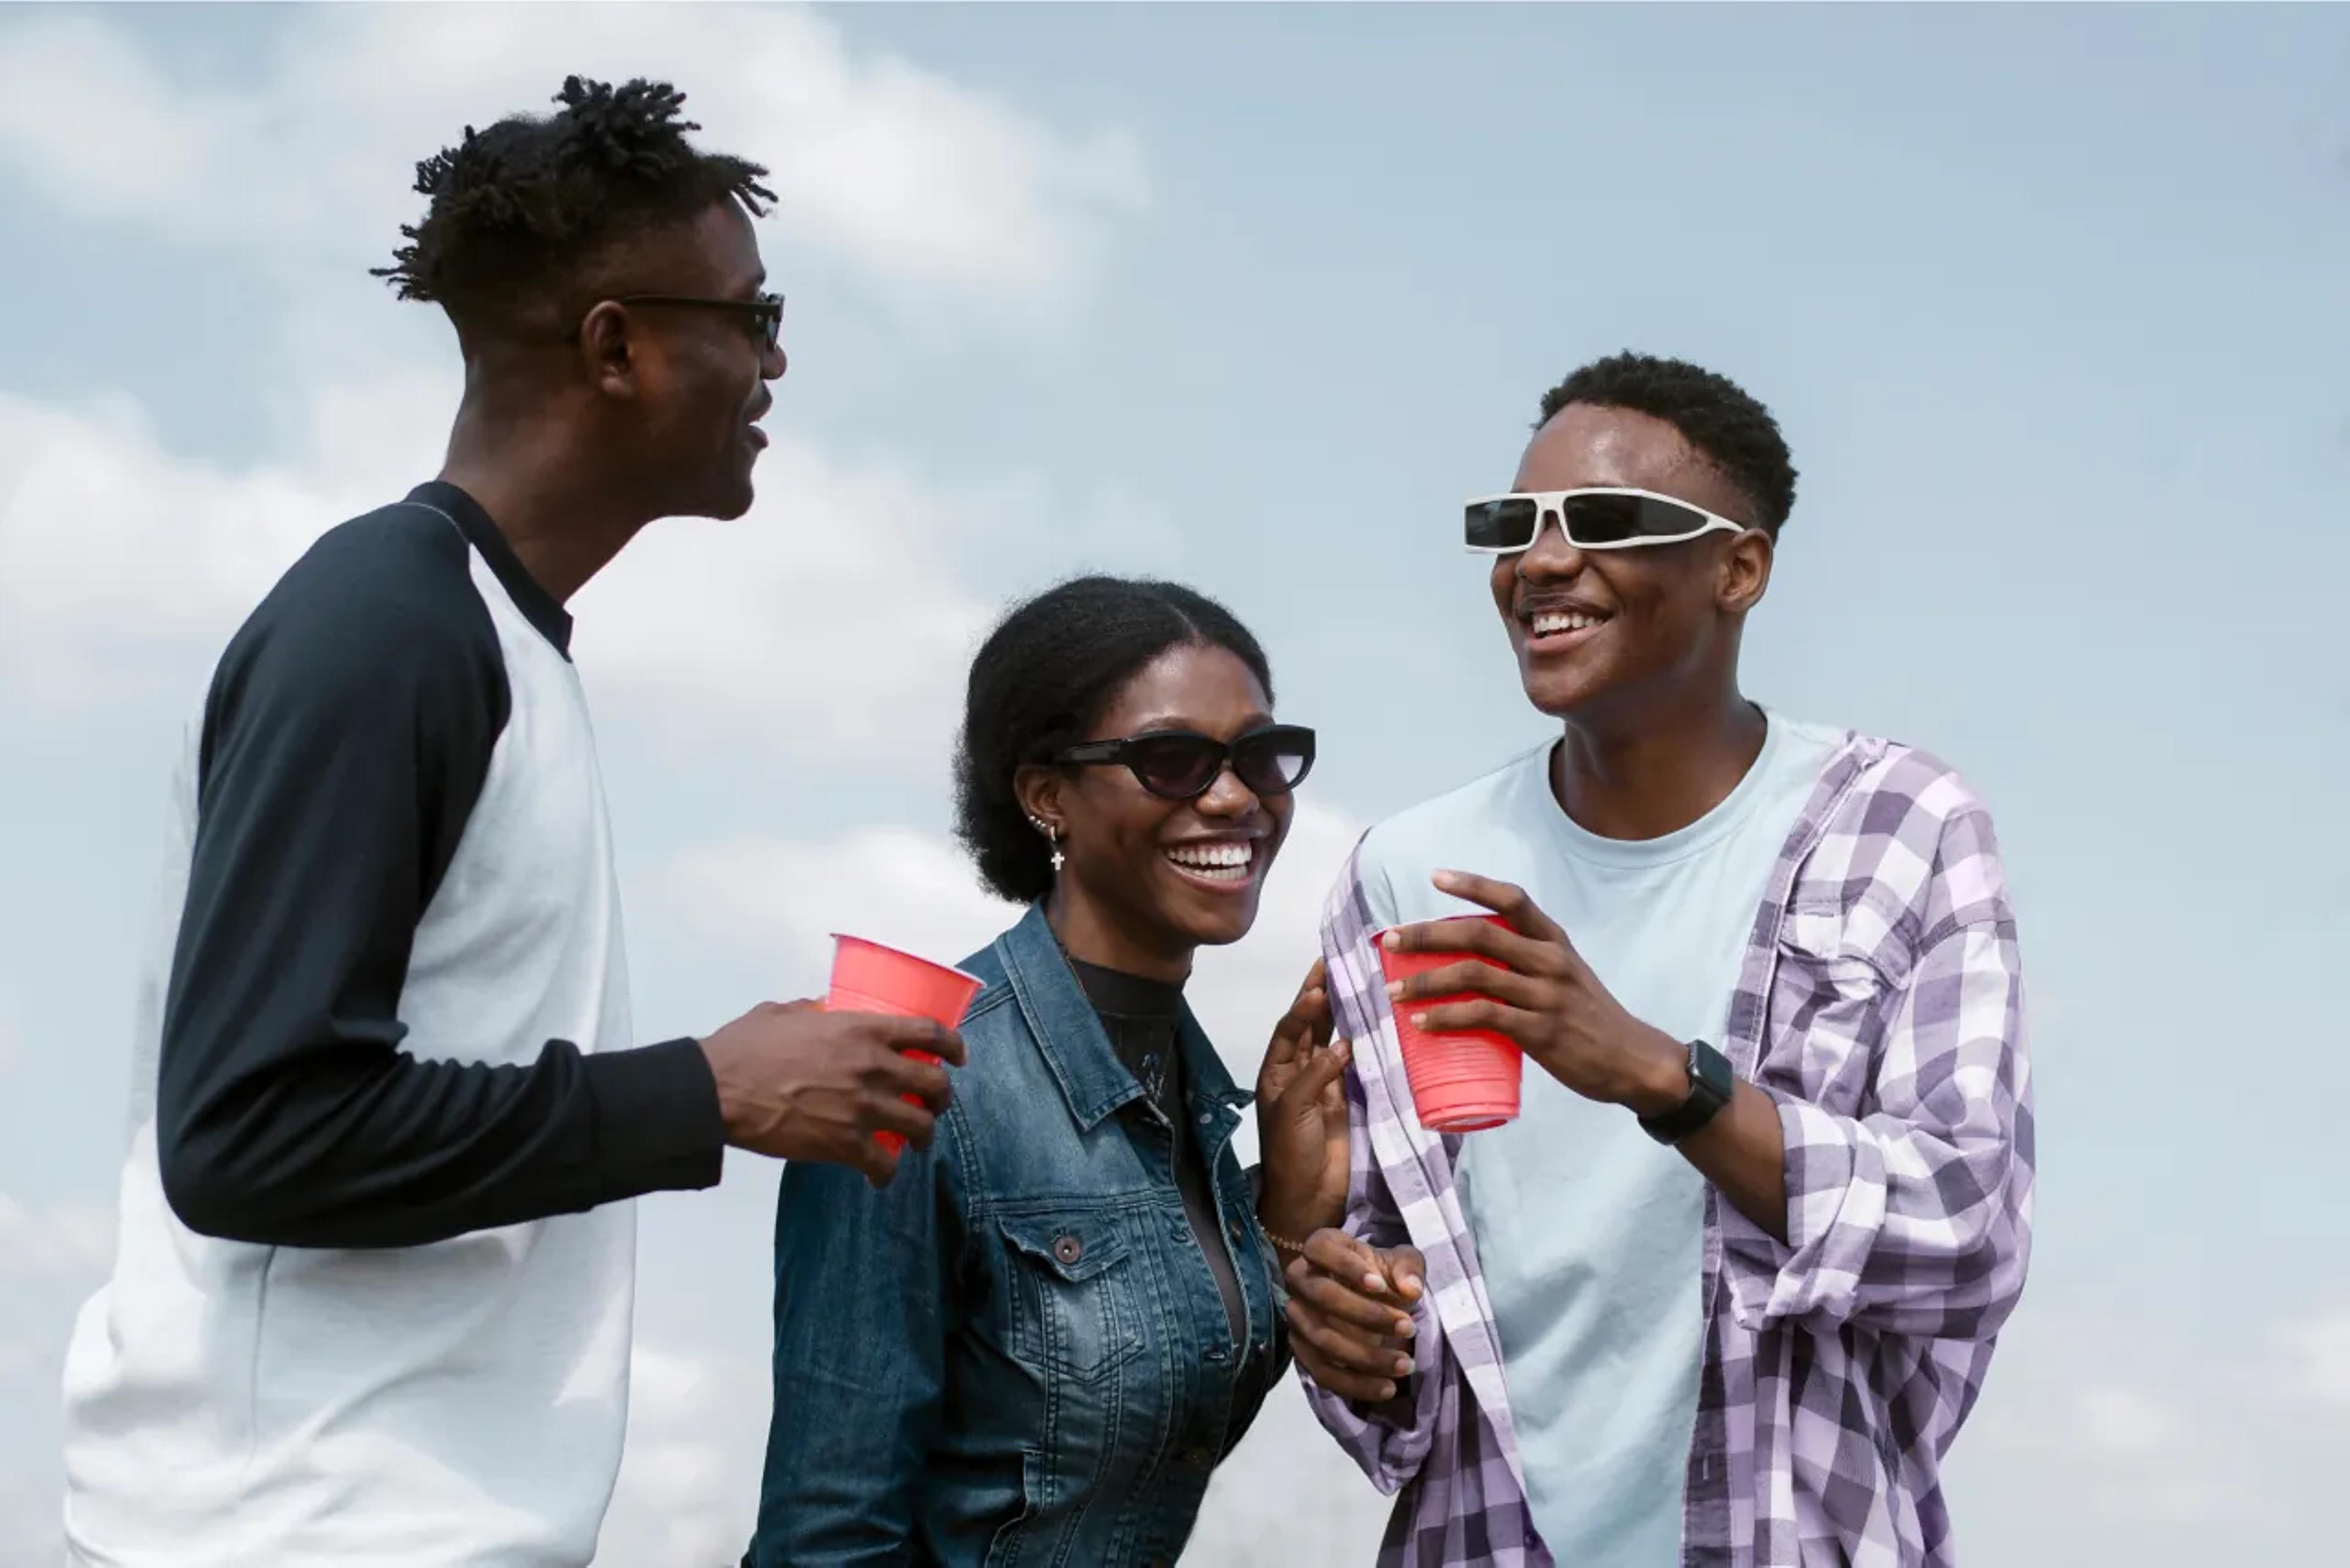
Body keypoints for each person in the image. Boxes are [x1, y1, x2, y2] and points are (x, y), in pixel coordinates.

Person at [60, 77, 966, 1568]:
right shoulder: (388, 627)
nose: (777, 357)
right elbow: (244, 1133)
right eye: (751, 314)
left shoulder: (500, 642)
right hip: (288, 1535)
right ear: (617, 345)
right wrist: (705, 1093)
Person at [1281, 353, 2034, 1567]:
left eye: (1607, 521)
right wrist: (1337, 1307)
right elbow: (1388, 1322)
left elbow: (1967, 1233)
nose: (1541, 561)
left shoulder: (1895, 827)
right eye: (1513, 526)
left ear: (1739, 569)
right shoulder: (1406, 871)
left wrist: (1653, 1072)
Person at [745, 575, 1354, 1567]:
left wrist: (1284, 1215)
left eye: (1259, 756)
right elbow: (828, 1535)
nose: (1236, 796)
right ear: (1046, 797)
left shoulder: (1195, 1093)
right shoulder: (916, 1077)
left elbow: (1148, 1435)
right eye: (1173, 761)